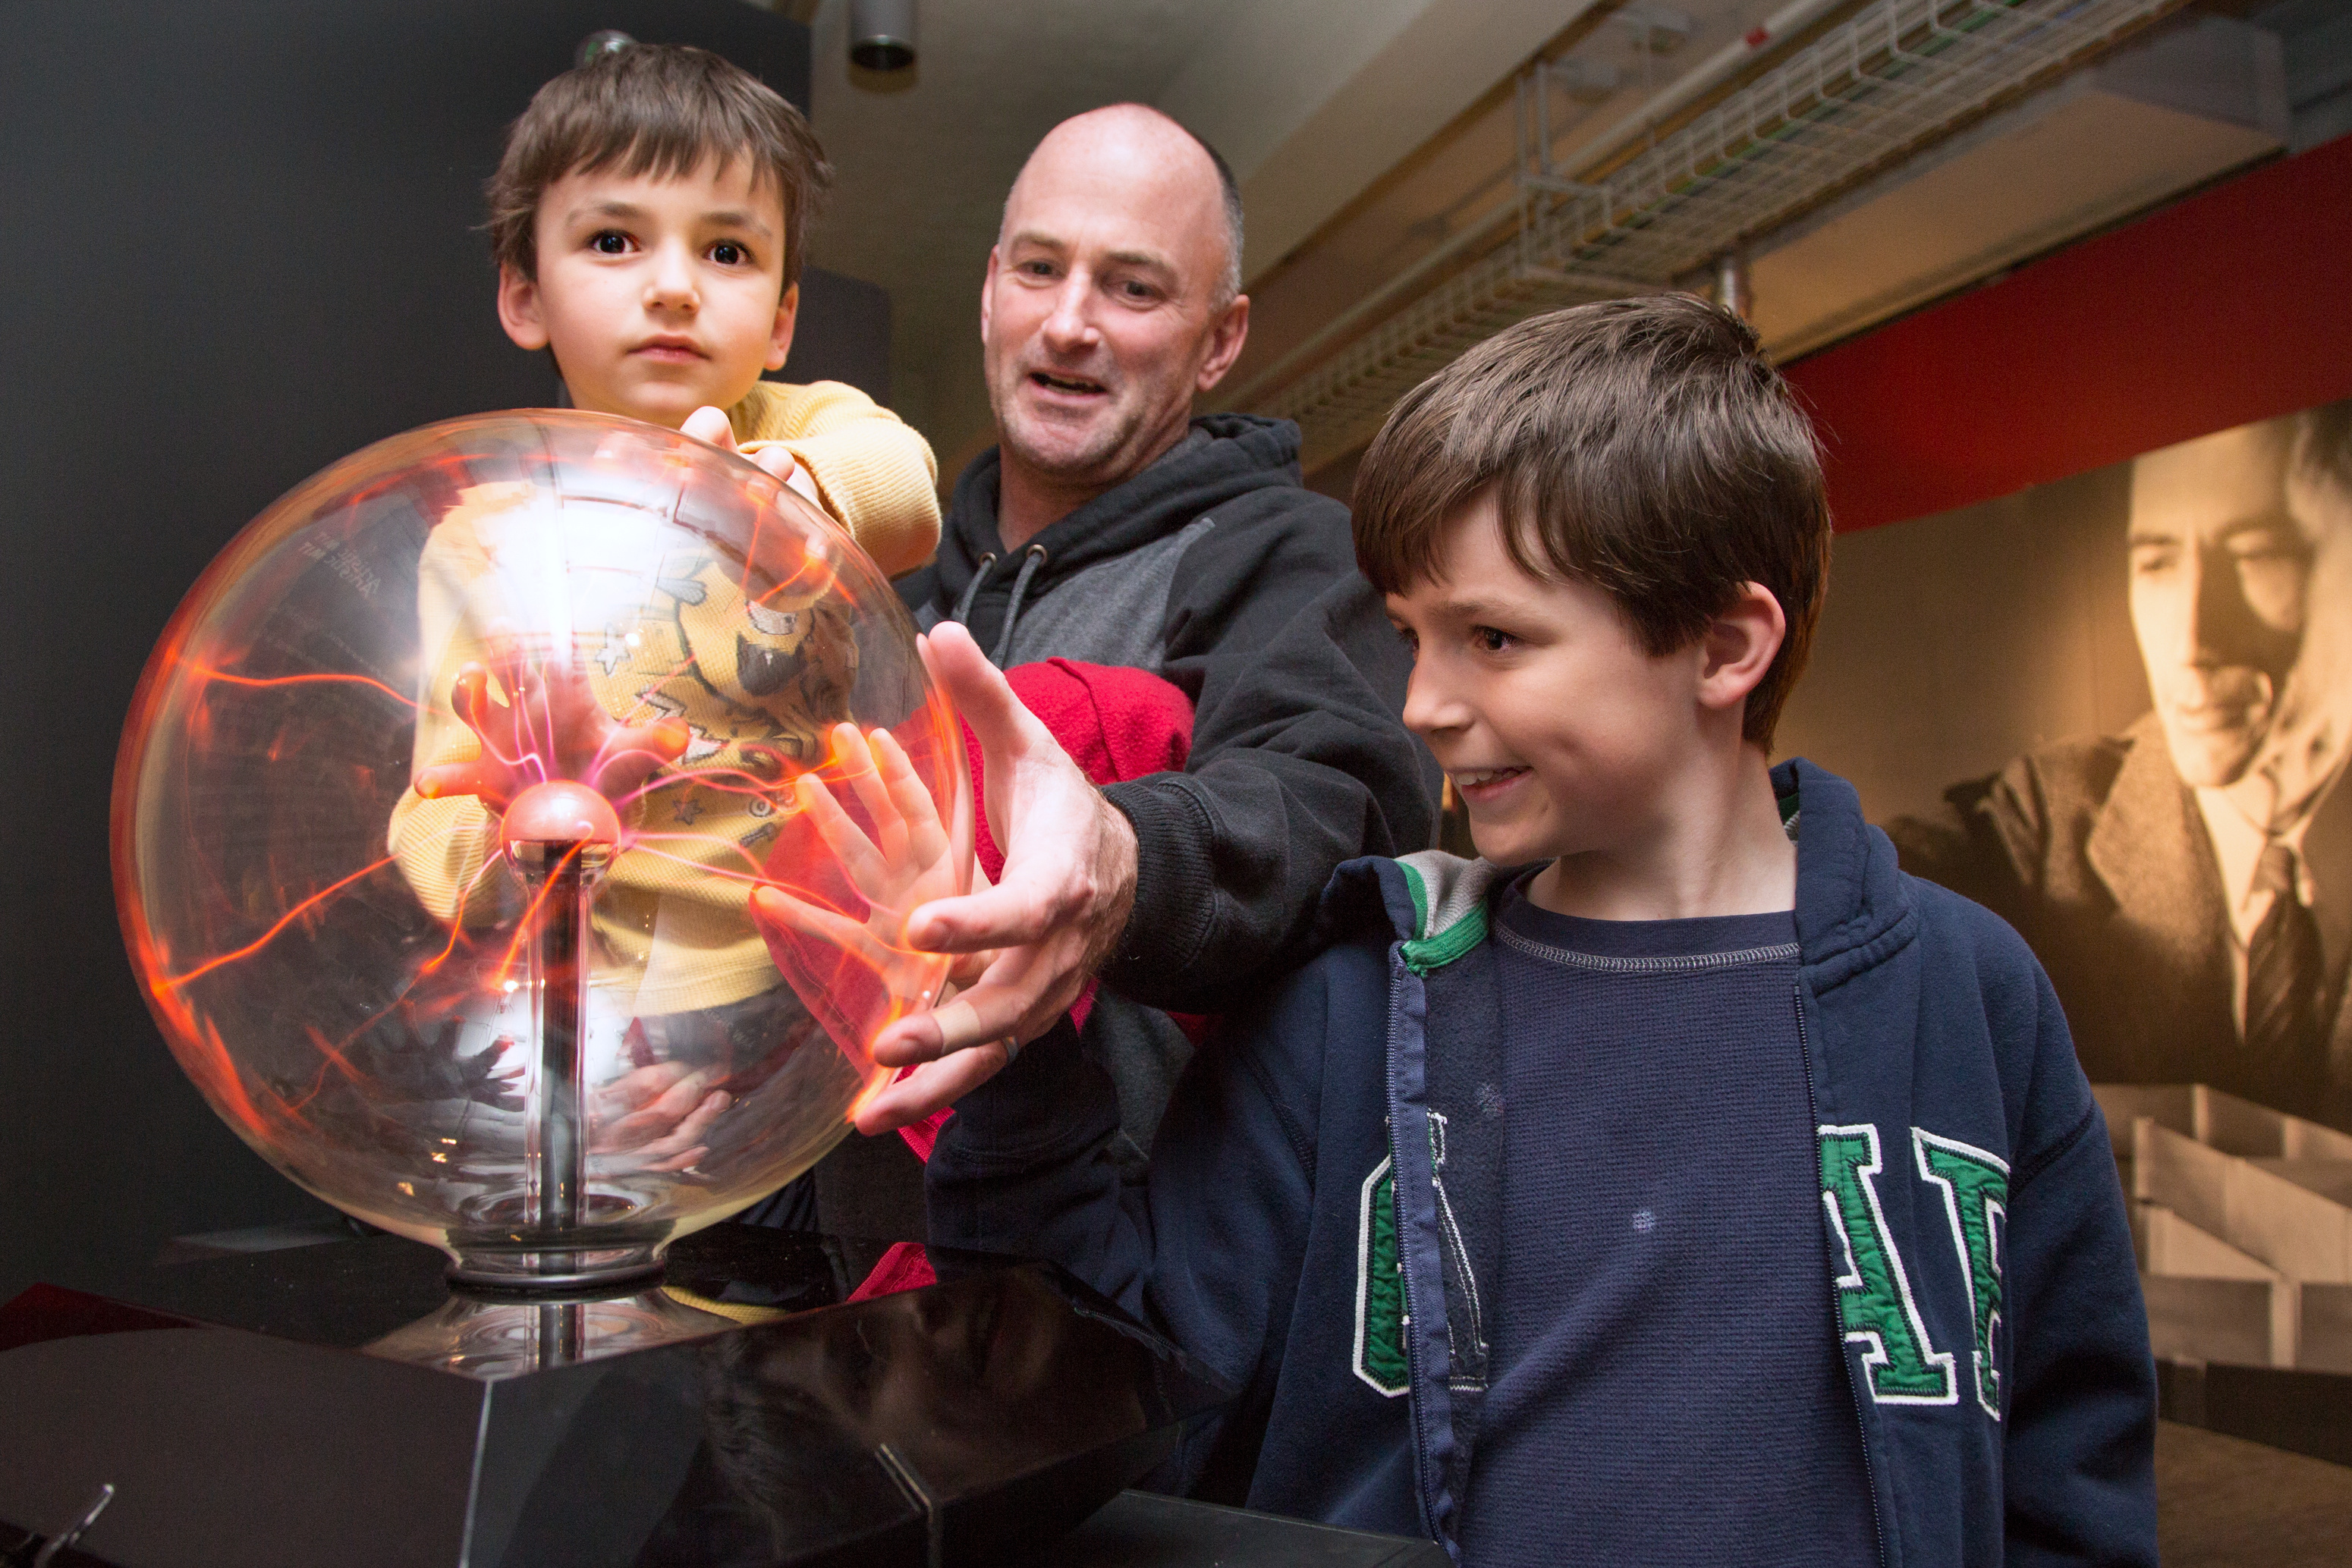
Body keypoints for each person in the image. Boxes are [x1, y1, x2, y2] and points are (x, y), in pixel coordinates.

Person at [920, 297, 2158, 1563]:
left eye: (1493, 639)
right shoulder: (1352, 1006)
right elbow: (1109, 1396)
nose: (1423, 705)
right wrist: (1019, 1053)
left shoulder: (1968, 994)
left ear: (1725, 645)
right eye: (1411, 638)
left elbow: (2074, 1467)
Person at [386, 43, 947, 1179]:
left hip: (828, 969)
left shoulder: (805, 427)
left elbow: (909, 488)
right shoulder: (485, 531)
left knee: (835, 1262)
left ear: (783, 318)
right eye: (613, 240)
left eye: (728, 249)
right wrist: (506, 841)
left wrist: (800, 490)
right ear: (524, 294)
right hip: (608, 990)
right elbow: (430, 803)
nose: (677, 283)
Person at [846, 103, 1435, 1156]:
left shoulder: (1294, 555)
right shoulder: (883, 590)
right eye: (1038, 269)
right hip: (851, 1260)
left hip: (1124, 1278)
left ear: (1222, 340)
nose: (1071, 322)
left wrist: (1122, 861)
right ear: (988, 293)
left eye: (1135, 287)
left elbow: (1336, 807)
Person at [1893, 404, 2352, 1124]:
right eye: (2158, 563)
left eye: (2258, 556)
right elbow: (1872, 880)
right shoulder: (2052, 819)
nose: (2193, 638)